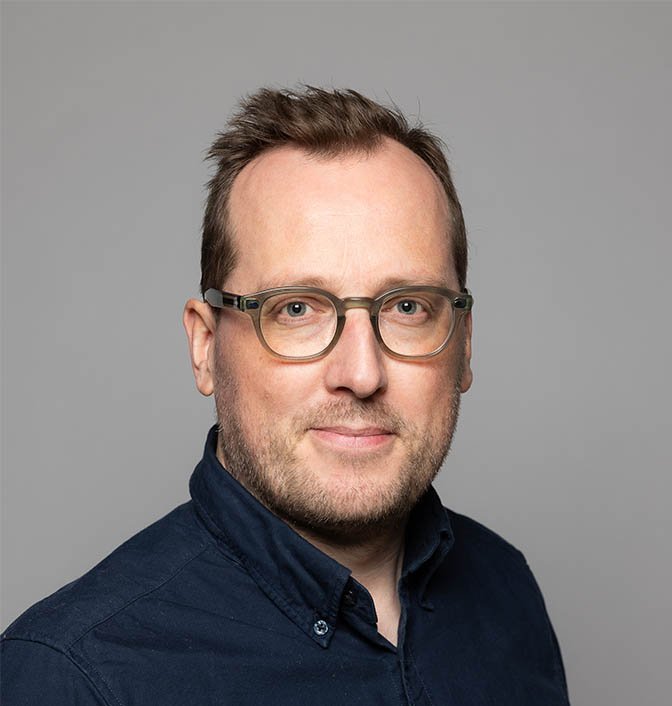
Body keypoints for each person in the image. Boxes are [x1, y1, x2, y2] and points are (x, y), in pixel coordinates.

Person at [1, 86, 570, 705]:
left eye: (408, 307)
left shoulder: (505, 590)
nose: (361, 373)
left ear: (464, 344)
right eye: (296, 308)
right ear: (205, 346)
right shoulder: (71, 678)